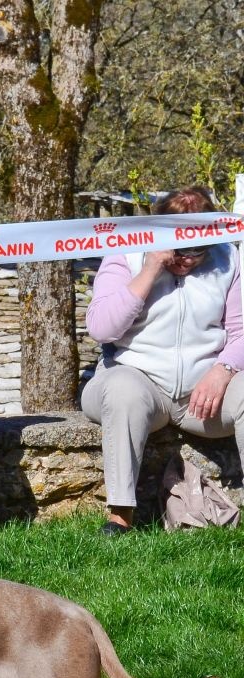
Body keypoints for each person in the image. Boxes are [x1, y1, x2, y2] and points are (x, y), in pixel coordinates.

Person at [81, 186, 244, 534]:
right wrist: (152, 268)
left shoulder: (229, 257)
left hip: (203, 394)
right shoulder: (126, 255)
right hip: (135, 381)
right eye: (180, 249)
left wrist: (223, 369)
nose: (187, 259)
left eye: (198, 251)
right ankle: (120, 516)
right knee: (124, 390)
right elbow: (101, 328)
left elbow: (241, 330)